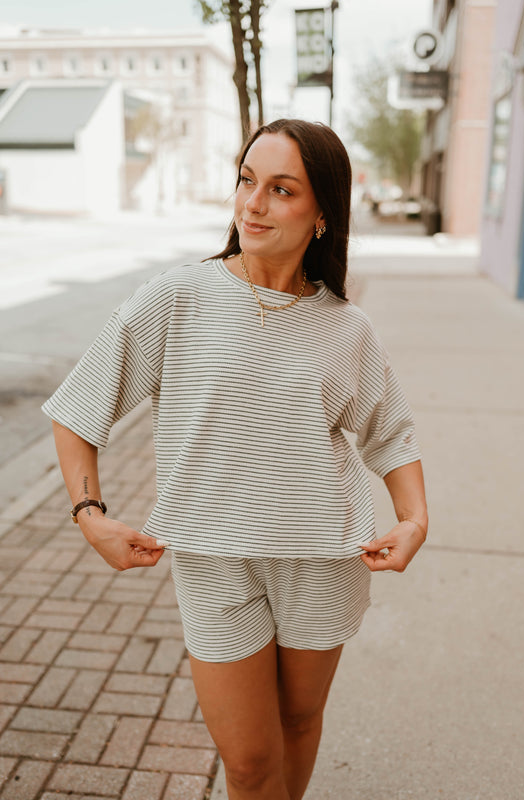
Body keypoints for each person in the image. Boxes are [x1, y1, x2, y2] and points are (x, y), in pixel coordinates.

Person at [43, 118, 428, 800]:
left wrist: (413, 519)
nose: (252, 203)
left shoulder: (347, 327)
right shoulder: (178, 298)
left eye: (281, 189)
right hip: (213, 560)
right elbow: (79, 409)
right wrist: (89, 514)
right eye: (247, 180)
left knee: (299, 721)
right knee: (248, 762)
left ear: (321, 214)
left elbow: (390, 433)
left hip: (322, 558)